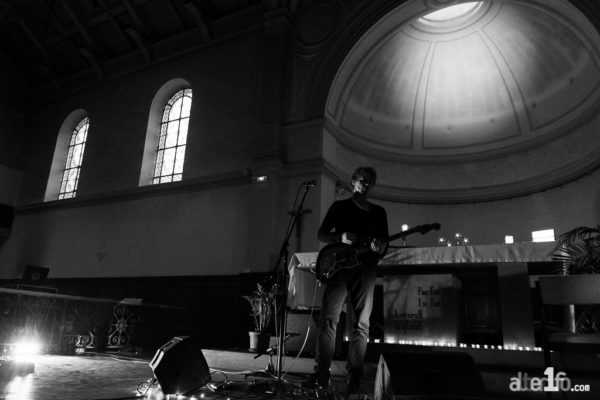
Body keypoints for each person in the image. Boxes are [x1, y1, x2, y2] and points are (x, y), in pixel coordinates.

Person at [308, 166, 389, 396]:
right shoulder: (340, 207)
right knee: (329, 320)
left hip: (366, 270)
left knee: (361, 325)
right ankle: (321, 375)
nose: (365, 184)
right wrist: (339, 237)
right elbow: (322, 233)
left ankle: (354, 380)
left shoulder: (379, 212)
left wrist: (379, 247)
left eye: (370, 181)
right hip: (340, 270)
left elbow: (384, 244)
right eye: (362, 180)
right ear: (353, 181)